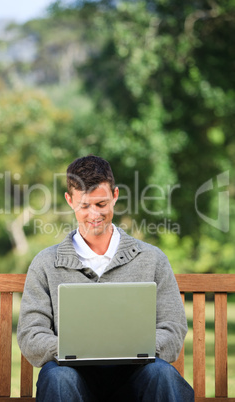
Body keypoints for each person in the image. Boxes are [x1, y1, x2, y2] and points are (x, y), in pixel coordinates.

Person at [17, 155, 194, 401]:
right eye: (84, 206)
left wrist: (134, 349)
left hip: (137, 377)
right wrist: (74, 350)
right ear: (69, 201)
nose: (94, 215)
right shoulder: (46, 263)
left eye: (101, 204)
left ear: (115, 196)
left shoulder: (152, 259)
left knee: (162, 375)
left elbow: (173, 328)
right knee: (58, 377)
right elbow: (31, 333)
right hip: (72, 378)